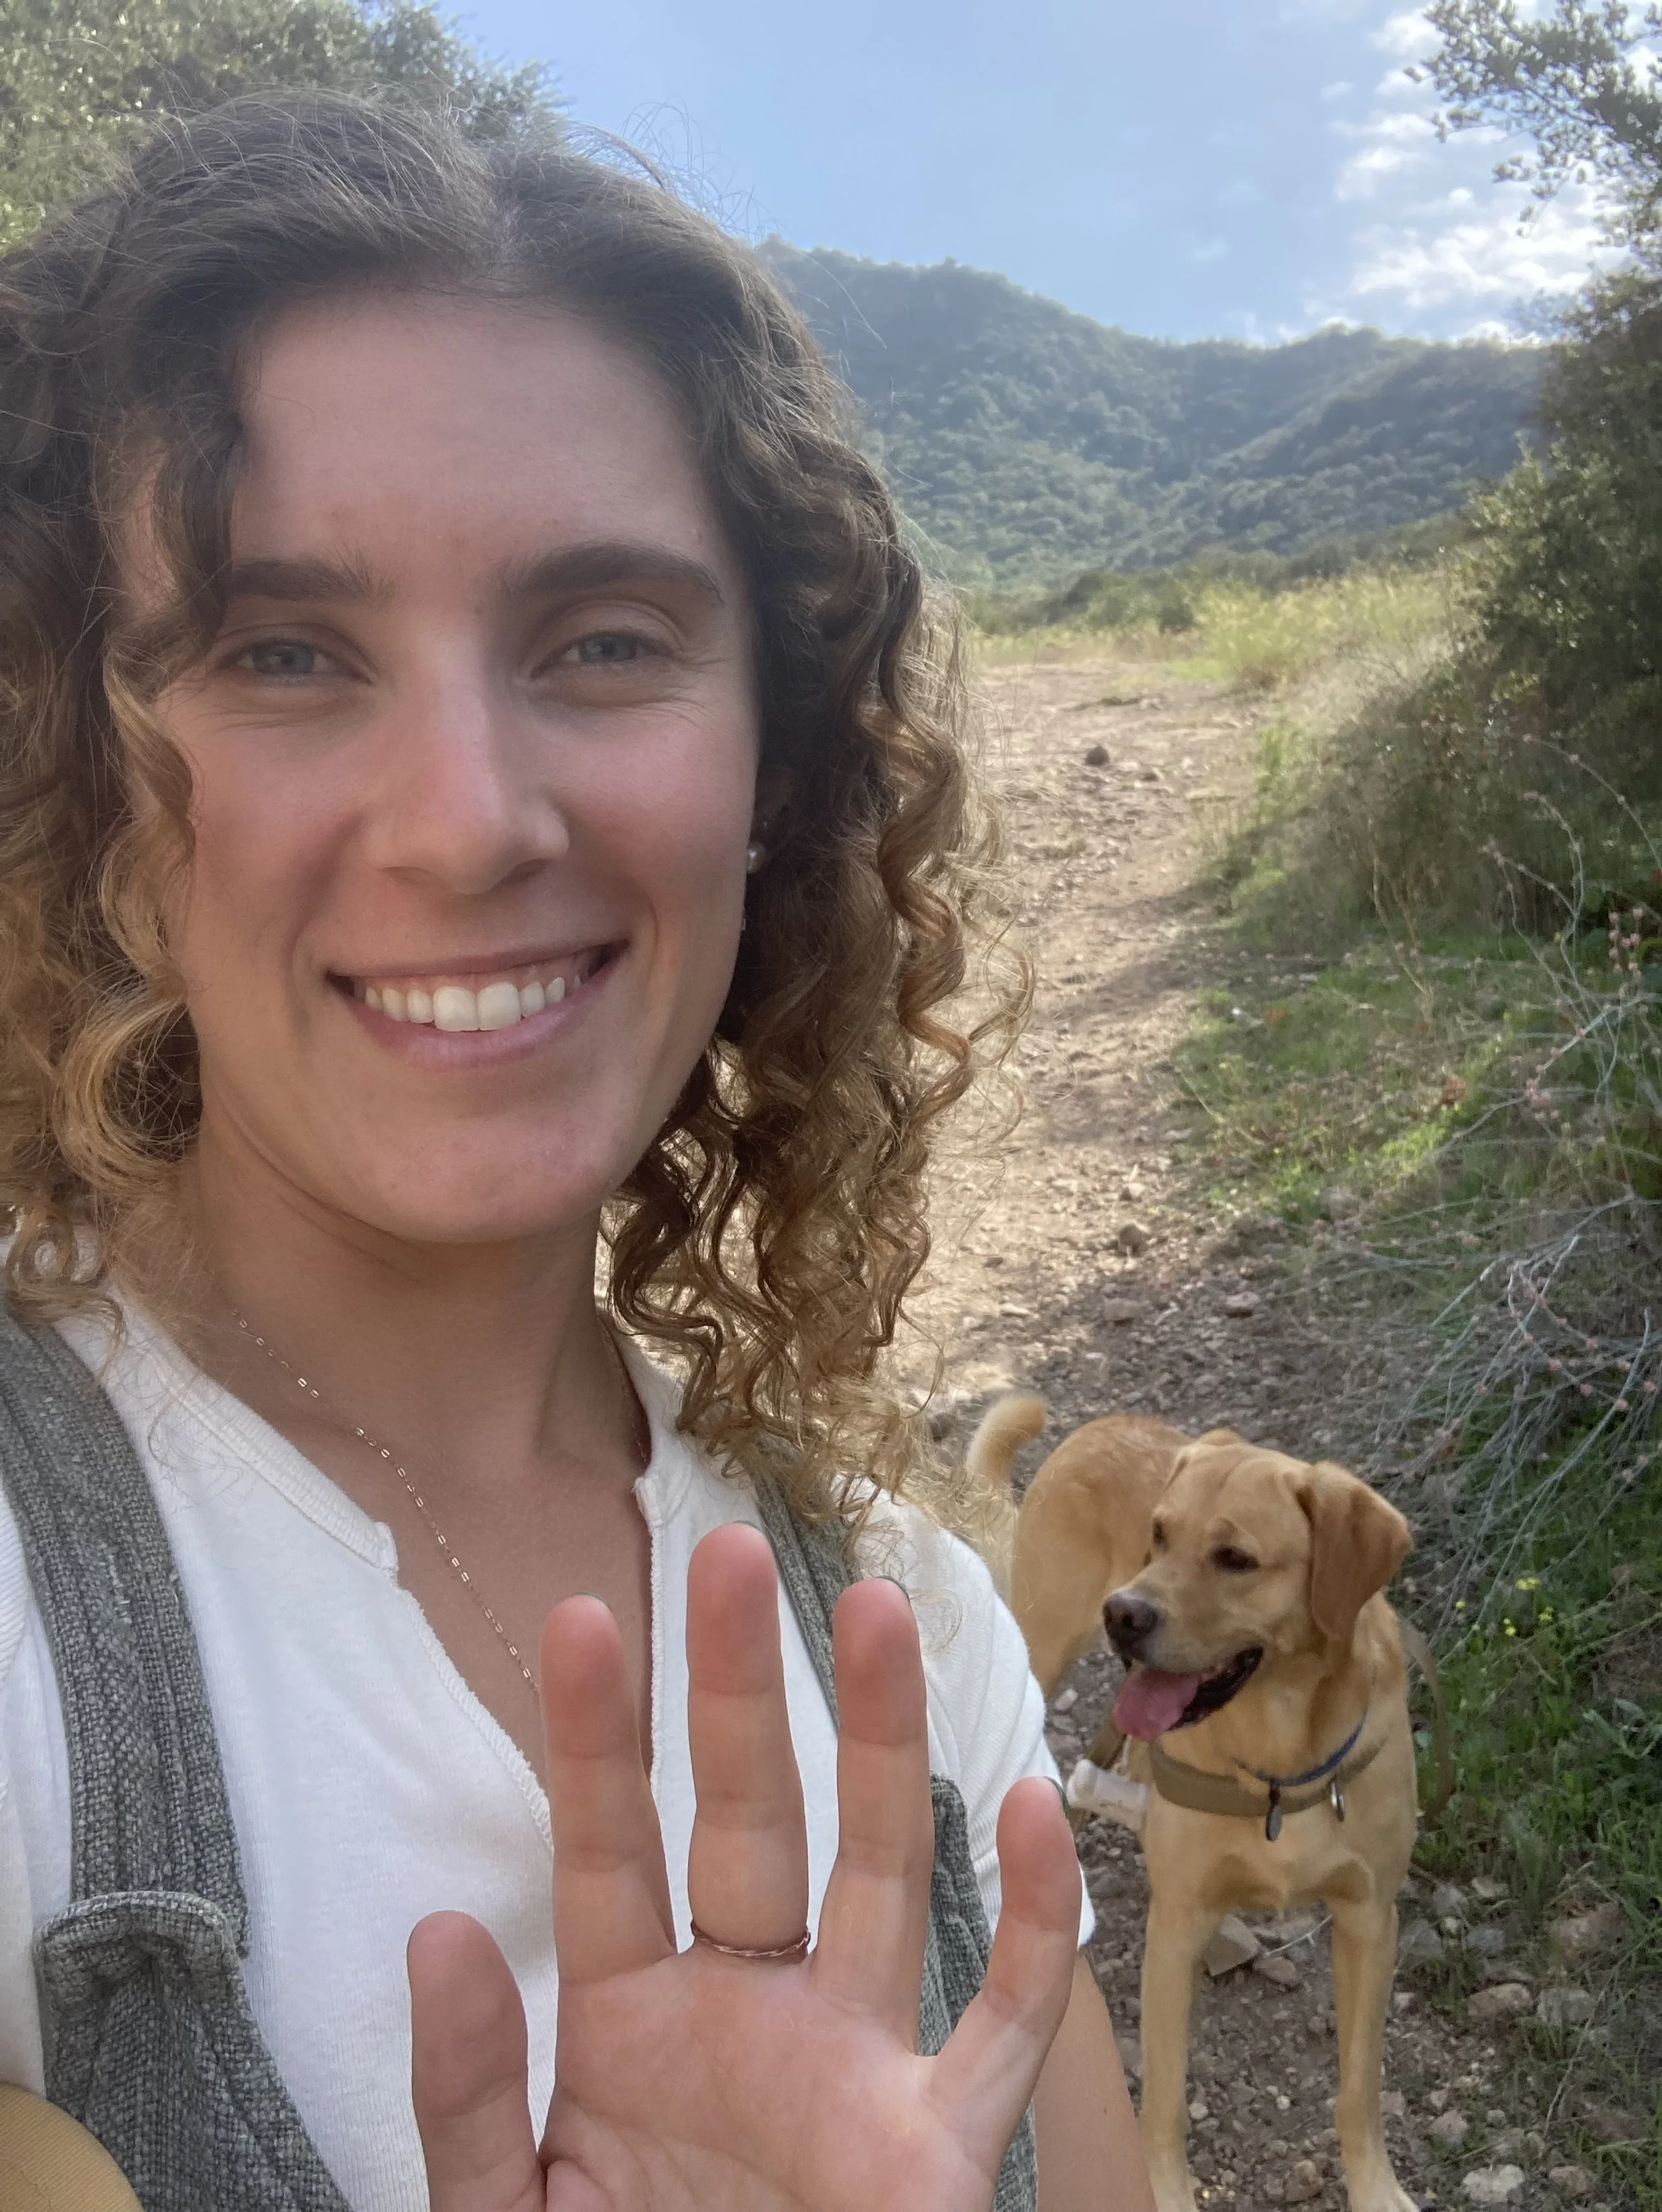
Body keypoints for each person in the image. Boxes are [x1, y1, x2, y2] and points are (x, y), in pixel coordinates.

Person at [0, 96, 1148, 2212]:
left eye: (600, 639)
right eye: (282, 653)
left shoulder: (913, 1629)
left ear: (773, 771)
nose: (469, 817)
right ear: (81, 783)